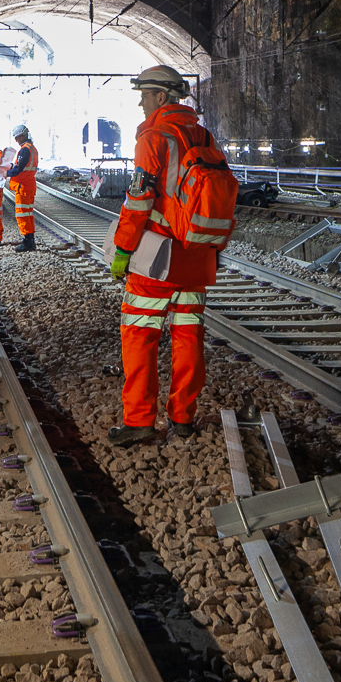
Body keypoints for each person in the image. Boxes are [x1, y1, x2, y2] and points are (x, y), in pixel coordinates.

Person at [107, 65, 226, 446]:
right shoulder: (203, 135)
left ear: (161, 97)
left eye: (144, 95)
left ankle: (140, 421)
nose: (141, 103)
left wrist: (123, 248)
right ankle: (183, 418)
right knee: (188, 335)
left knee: (140, 334)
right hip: (197, 254)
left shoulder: (153, 136)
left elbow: (139, 199)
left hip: (158, 256)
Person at [5, 124, 39, 252]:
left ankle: (27, 242)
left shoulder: (25, 149)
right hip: (29, 185)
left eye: (17, 137)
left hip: (22, 187)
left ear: (22, 136)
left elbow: (18, 169)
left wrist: (7, 173)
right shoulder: (33, 149)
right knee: (28, 214)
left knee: (22, 215)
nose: (16, 140)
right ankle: (30, 240)